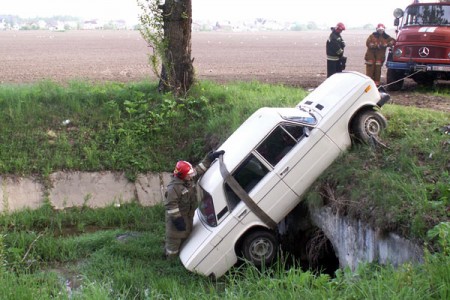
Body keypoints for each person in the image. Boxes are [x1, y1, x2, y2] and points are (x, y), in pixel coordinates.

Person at [164, 150, 225, 259]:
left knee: (185, 240)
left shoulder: (187, 179)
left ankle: (181, 258)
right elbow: (171, 206)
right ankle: (169, 263)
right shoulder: (174, 188)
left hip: (187, 219)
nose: (192, 175)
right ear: (182, 175)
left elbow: (198, 169)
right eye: (189, 174)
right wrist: (178, 220)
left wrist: (209, 158)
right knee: (173, 246)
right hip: (176, 224)